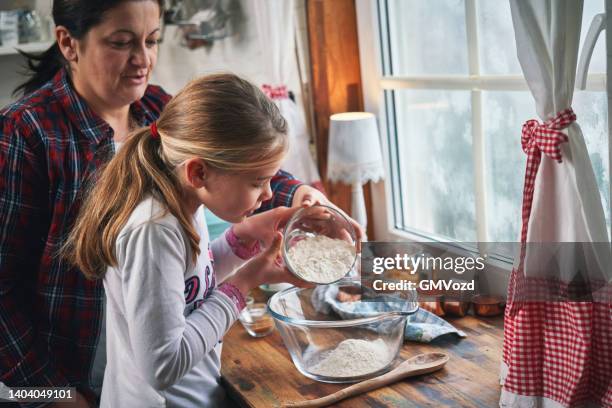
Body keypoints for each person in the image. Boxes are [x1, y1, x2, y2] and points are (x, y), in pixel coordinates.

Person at [0, 0, 358, 406]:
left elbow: (234, 162)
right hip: (69, 378)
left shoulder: (157, 110)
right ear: (68, 42)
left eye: (152, 40)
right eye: (121, 42)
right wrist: (53, 395)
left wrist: (294, 198)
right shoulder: (25, 133)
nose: (143, 59)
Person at [65, 73, 306, 407]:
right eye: (257, 181)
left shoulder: (185, 200)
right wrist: (245, 282)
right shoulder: (153, 229)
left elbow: (190, 287)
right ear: (199, 172)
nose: (267, 194)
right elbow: (164, 365)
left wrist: (240, 241)